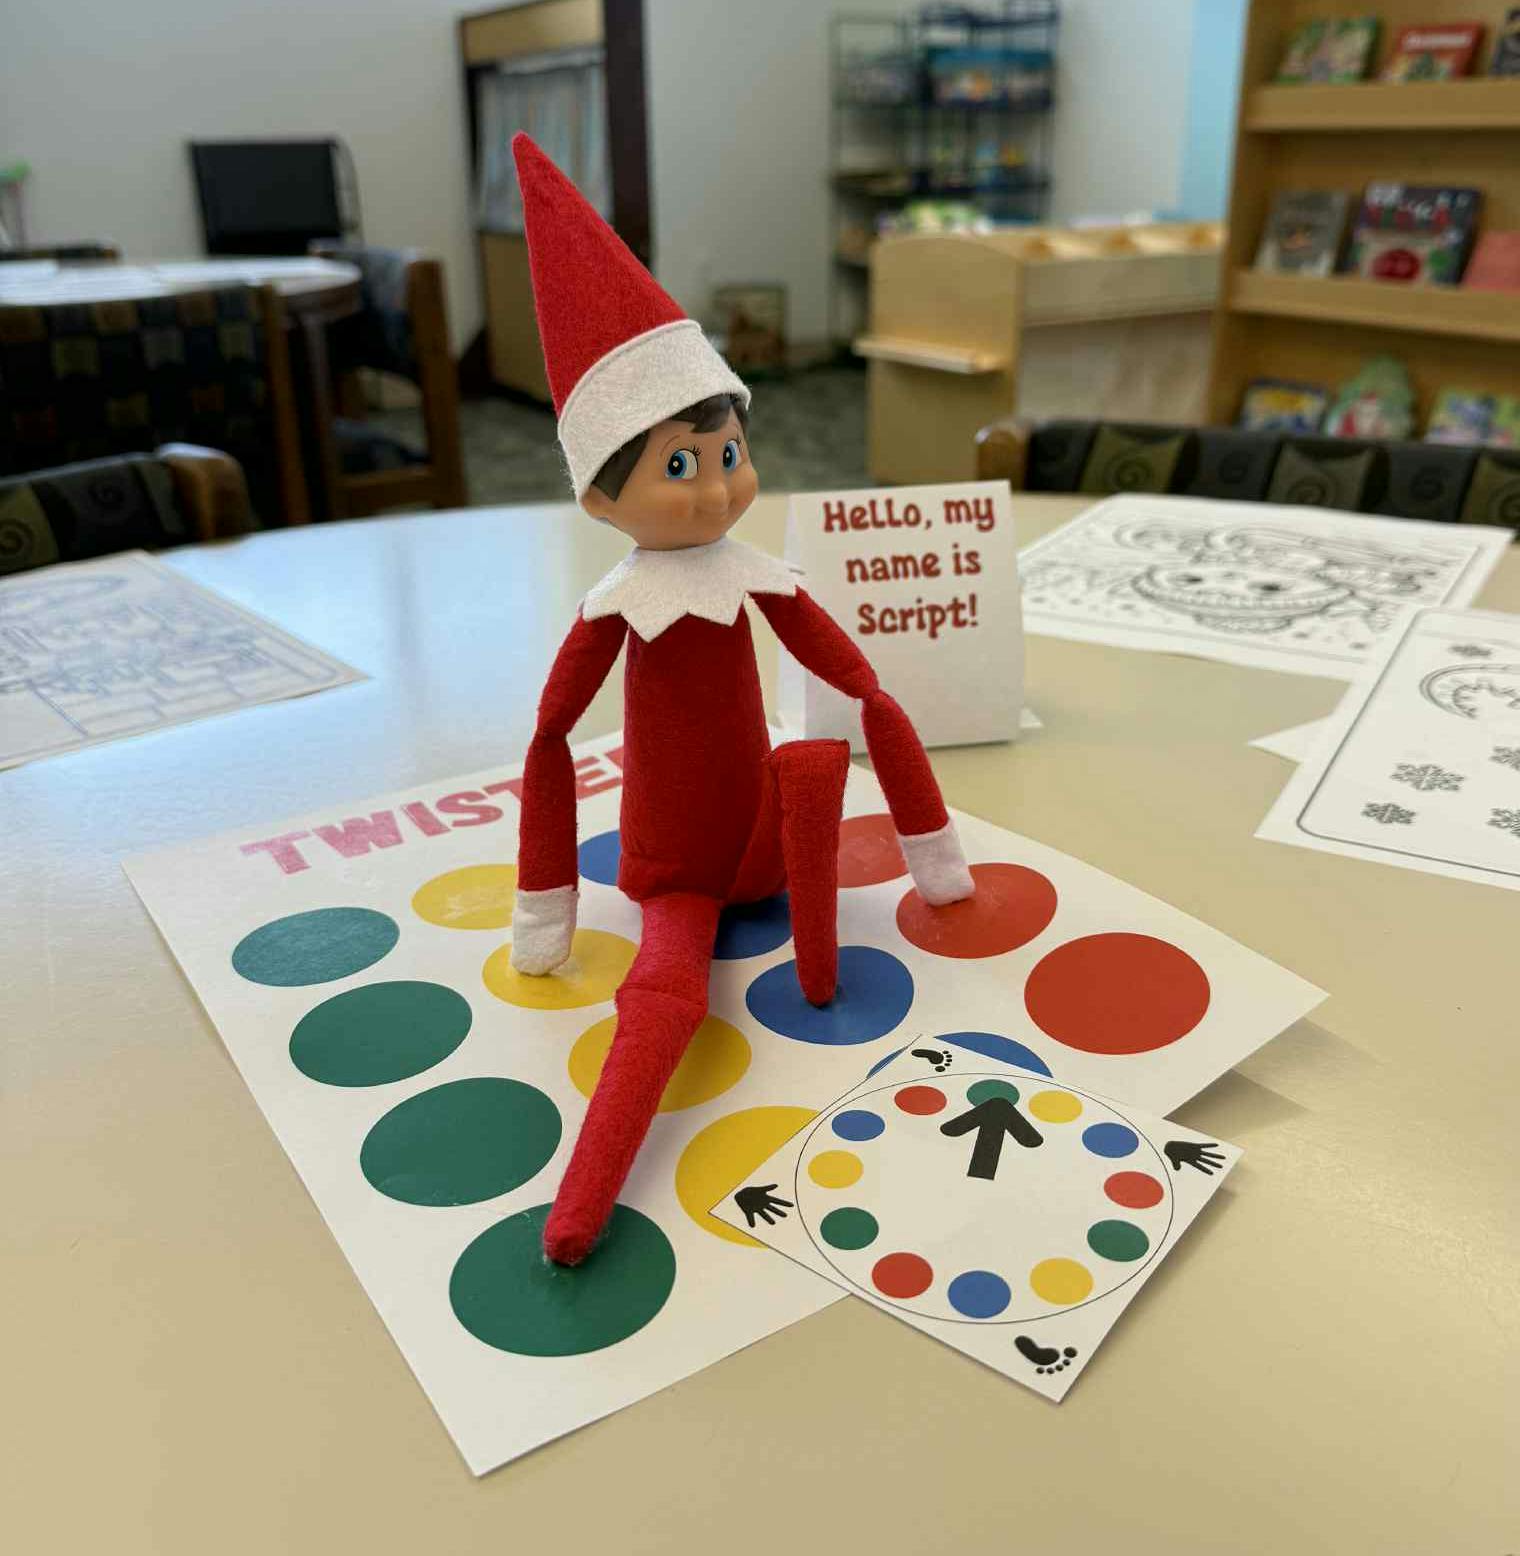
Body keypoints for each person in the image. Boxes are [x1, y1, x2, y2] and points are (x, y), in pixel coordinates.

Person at [509, 135, 974, 1265]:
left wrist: (933, 855)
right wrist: (546, 908)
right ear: (600, 491)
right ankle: (582, 1208)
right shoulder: (615, 605)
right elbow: (550, 739)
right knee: (663, 996)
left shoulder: (758, 579)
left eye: (727, 450)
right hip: (669, 863)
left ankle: (816, 959)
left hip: (770, 840)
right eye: (679, 465)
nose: (718, 485)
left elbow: (861, 690)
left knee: (810, 767)